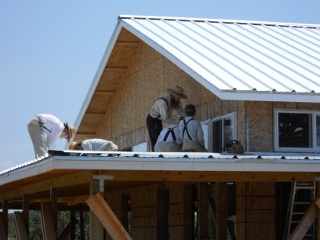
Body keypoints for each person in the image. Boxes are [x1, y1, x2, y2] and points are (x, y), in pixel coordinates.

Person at [147, 85, 187, 152]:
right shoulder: (163, 103)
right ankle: (155, 155)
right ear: (174, 95)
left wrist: (187, 118)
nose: (179, 99)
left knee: (158, 137)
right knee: (156, 139)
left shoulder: (175, 101)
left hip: (159, 120)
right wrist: (178, 121)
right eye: (178, 98)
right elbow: (165, 118)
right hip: (153, 120)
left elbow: (180, 111)